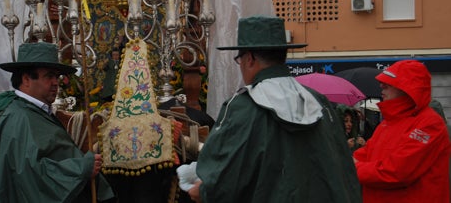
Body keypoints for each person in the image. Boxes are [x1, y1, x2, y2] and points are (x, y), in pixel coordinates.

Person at [179, 16, 361, 202]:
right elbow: (346, 172)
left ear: (249, 59)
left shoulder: (244, 106)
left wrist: (203, 191)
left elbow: (222, 179)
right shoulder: (319, 102)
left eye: (239, 60)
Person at [0, 42, 115, 203]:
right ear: (26, 79)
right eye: (49, 76)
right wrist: (81, 168)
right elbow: (29, 173)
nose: (56, 82)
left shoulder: (32, 112)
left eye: (57, 76)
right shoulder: (17, 118)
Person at [353, 60, 451, 202]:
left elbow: (397, 172)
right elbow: (364, 154)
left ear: (408, 88)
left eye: (389, 83)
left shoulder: (429, 123)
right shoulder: (387, 123)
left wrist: (353, 168)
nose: (381, 86)